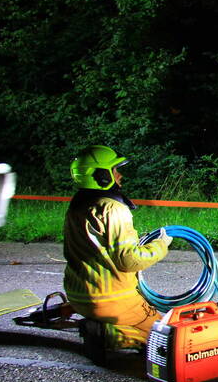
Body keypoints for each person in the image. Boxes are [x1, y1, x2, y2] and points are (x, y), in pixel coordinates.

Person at [63, 145, 172, 352]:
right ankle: (109, 334)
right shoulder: (112, 208)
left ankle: (105, 325)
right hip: (112, 299)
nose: (119, 175)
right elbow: (129, 261)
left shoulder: (78, 204)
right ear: (101, 175)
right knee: (168, 336)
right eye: (114, 170)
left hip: (79, 295)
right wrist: (161, 245)